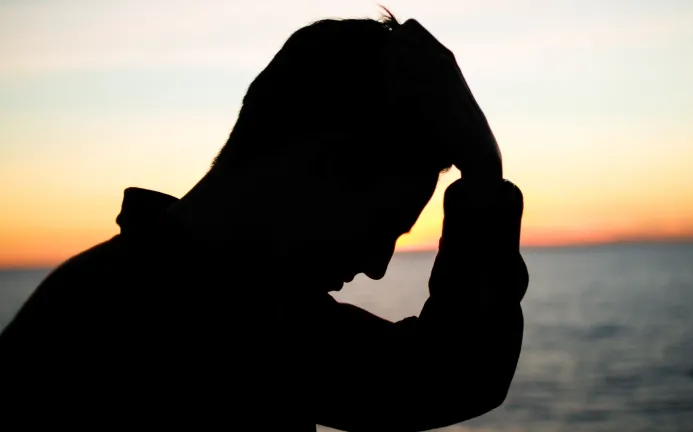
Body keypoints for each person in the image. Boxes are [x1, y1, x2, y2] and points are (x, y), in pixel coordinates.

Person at [0, 12, 528, 431]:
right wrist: (483, 173)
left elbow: (445, 377)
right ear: (327, 167)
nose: (377, 267)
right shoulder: (192, 324)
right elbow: (446, 378)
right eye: (383, 226)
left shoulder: (217, 303)